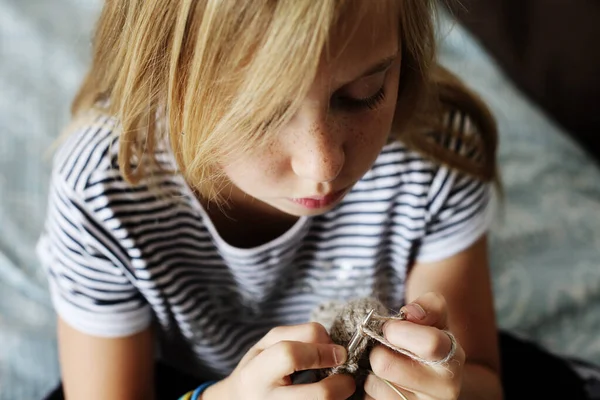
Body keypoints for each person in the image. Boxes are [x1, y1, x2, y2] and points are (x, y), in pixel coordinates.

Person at [36, 1, 599, 399]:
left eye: (363, 94)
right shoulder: (105, 190)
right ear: (164, 79)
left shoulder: (433, 152)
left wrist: (446, 384)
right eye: (261, 117)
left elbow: (479, 376)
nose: (324, 165)